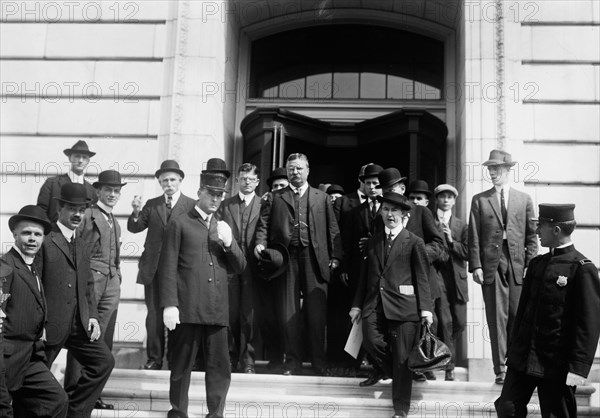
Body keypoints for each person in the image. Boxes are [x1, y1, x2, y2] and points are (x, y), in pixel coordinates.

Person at [495, 203, 600, 418]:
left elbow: (588, 324)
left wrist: (578, 368)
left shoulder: (581, 268)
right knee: (507, 408)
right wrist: (513, 350)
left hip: (555, 363)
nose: (536, 232)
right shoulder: (537, 264)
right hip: (523, 357)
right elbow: (522, 311)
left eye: (540, 226)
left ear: (556, 230)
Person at [158, 171, 246, 418]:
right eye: (211, 194)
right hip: (187, 307)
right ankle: (178, 411)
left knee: (219, 367)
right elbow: (167, 266)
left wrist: (230, 244)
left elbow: (241, 267)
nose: (216, 199)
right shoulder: (179, 223)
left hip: (217, 309)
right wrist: (169, 304)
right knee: (181, 366)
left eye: (220, 195)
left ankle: (215, 413)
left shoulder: (222, 225)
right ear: (199, 193)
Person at [254, 153, 342, 376]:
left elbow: (333, 230)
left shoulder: (321, 197)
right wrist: (260, 244)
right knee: (288, 313)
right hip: (286, 258)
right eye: (291, 169)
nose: (295, 173)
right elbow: (263, 225)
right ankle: (292, 363)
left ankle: (318, 363)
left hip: (315, 259)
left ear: (308, 170)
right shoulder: (276, 197)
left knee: (316, 314)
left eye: (299, 169)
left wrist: (336, 257)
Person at [358, 167, 445, 385]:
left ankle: (418, 369)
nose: (388, 193)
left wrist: (416, 253)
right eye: (384, 190)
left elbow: (439, 245)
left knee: (417, 334)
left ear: (403, 188)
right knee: (382, 335)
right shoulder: (382, 216)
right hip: (390, 288)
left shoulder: (421, 212)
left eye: (392, 188)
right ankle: (389, 369)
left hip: (420, 283)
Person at [350, 192, 433, 418]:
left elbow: (422, 277)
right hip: (374, 305)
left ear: (404, 215)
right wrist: (357, 305)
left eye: (394, 211)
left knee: (402, 357)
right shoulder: (374, 241)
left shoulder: (414, 242)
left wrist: (426, 309)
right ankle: (403, 372)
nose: (389, 215)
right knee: (371, 339)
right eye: (385, 210)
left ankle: (401, 410)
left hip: (405, 307)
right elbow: (364, 276)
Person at [40, 184, 115, 417]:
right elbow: (35, 285)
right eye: (72, 208)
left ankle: (76, 414)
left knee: (103, 363)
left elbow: (88, 286)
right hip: (49, 325)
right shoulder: (45, 239)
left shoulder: (82, 244)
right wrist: (39, 321)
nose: (77, 215)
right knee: (35, 376)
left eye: (82, 210)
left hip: (78, 324)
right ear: (60, 208)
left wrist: (92, 316)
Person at [468, 149, 538, 384]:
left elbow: (532, 236)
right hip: (491, 264)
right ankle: (501, 370)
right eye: (490, 169)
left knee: (517, 315)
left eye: (496, 168)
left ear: (508, 170)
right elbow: (474, 235)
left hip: (517, 263)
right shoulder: (480, 199)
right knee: (496, 316)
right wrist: (475, 265)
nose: (492, 173)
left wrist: (530, 264)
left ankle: (516, 364)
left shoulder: (524, 199)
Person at [64, 170, 126, 410]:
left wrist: (117, 277)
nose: (112, 194)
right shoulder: (88, 214)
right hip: (91, 281)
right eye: (108, 190)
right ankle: (73, 392)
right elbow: (73, 245)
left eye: (116, 191)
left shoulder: (115, 221)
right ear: (98, 191)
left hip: (111, 282)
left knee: (103, 340)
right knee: (84, 334)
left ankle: (92, 394)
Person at [127, 160, 196, 370]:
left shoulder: (191, 205)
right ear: (159, 182)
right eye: (164, 180)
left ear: (180, 180)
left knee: (179, 314)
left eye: (172, 179)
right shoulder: (152, 204)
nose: (169, 183)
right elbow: (135, 228)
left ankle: (176, 359)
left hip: (180, 270)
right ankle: (154, 359)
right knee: (154, 315)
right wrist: (136, 211)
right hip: (154, 269)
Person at [1, 206, 68, 418]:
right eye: (26, 233)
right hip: (6, 360)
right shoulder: (5, 266)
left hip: (30, 359)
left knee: (57, 400)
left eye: (37, 234)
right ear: (14, 235)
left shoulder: (32, 268)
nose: (32, 239)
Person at [331, 164, 383, 375]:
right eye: (368, 183)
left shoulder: (389, 209)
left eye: (376, 184)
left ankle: (377, 362)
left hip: (381, 271)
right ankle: (353, 362)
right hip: (358, 271)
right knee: (355, 315)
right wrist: (344, 266)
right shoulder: (356, 211)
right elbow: (346, 239)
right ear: (363, 183)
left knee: (378, 316)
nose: (372, 187)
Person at [218, 163, 262, 374]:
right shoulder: (226, 205)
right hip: (230, 269)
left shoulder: (264, 205)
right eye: (243, 178)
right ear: (237, 180)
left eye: (251, 179)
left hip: (253, 269)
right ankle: (230, 358)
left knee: (249, 316)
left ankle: (249, 361)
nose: (247, 182)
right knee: (230, 314)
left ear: (257, 181)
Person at [432, 184, 469, 381]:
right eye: (442, 197)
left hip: (457, 279)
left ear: (454, 201)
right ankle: (449, 366)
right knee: (445, 322)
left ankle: (445, 351)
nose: (446, 200)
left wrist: (451, 240)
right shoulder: (429, 221)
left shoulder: (462, 225)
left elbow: (469, 252)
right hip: (438, 275)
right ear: (436, 200)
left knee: (460, 322)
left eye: (449, 197)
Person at [37, 140, 97, 222]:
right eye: (77, 156)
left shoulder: (91, 190)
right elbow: (40, 211)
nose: (80, 160)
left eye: (84, 157)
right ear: (70, 158)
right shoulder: (52, 183)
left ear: (88, 161)